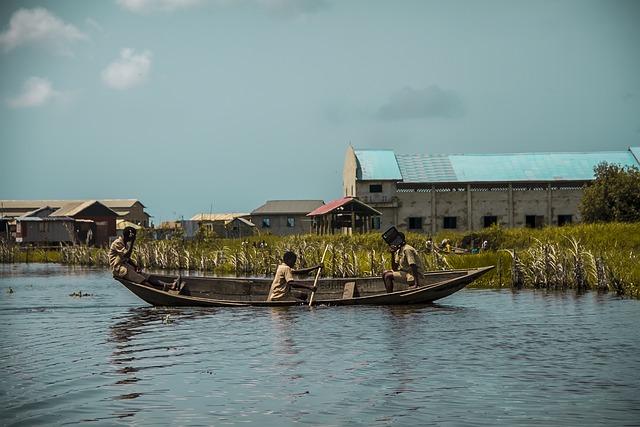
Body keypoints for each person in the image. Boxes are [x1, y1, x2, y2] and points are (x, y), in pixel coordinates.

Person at [109, 226, 180, 291]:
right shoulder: (118, 243)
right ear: (130, 236)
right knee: (141, 280)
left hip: (125, 266)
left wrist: (135, 266)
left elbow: (127, 259)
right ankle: (158, 291)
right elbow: (127, 255)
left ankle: (170, 285)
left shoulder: (125, 243)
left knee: (147, 277)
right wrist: (132, 242)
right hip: (118, 269)